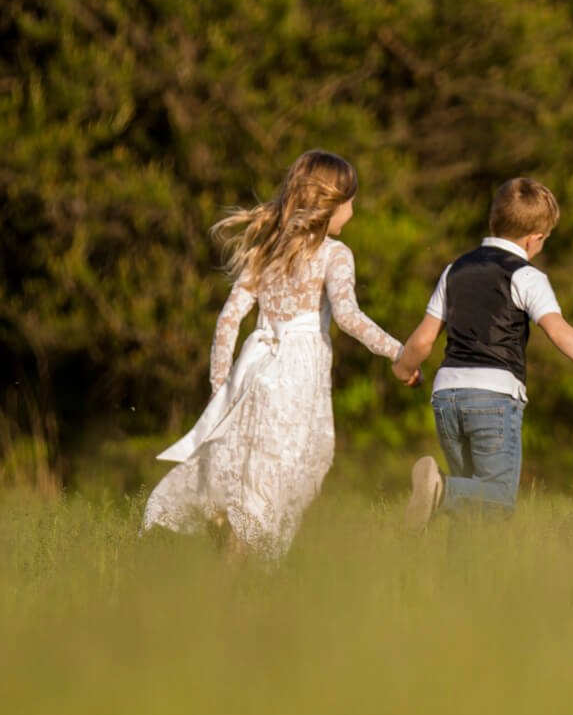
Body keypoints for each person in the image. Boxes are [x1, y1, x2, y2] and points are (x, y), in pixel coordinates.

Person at [143, 150, 404, 559]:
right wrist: (399, 352)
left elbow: (228, 320)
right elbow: (350, 317)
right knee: (277, 480)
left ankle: (223, 568)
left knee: (244, 476)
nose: (353, 210)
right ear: (330, 203)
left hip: (253, 375)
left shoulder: (266, 249)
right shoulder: (336, 254)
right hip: (295, 383)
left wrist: (220, 389)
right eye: (350, 200)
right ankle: (242, 586)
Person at [393, 177, 573, 527]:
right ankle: (442, 489)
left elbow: (421, 342)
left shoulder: (454, 270)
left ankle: (458, 566)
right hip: (493, 397)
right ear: (534, 239)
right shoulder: (526, 275)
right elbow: (561, 333)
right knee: (497, 501)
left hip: (446, 395)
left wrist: (404, 368)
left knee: (471, 506)